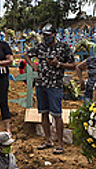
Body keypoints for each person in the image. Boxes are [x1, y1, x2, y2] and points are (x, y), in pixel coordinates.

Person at [24, 24, 76, 155]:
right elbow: (26, 55)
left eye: (48, 35)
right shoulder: (41, 47)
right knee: (43, 112)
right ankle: (48, 140)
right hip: (41, 83)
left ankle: (60, 144)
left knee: (57, 114)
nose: (46, 38)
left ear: (54, 34)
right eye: (44, 35)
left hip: (55, 84)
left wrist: (58, 64)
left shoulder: (63, 47)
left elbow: (73, 65)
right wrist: (33, 66)